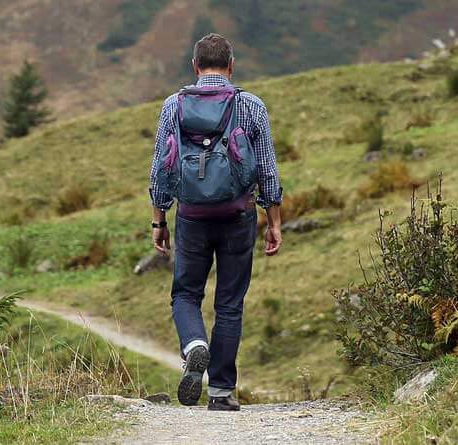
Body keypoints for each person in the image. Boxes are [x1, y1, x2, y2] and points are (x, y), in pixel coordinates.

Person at [148, 33, 283, 411]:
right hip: (238, 214)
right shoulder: (251, 106)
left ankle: (195, 345)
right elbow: (268, 169)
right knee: (229, 303)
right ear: (231, 65)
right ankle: (221, 391)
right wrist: (273, 220)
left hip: (191, 215)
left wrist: (159, 219)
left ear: (195, 66)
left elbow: (161, 167)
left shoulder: (173, 105)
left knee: (185, 293)